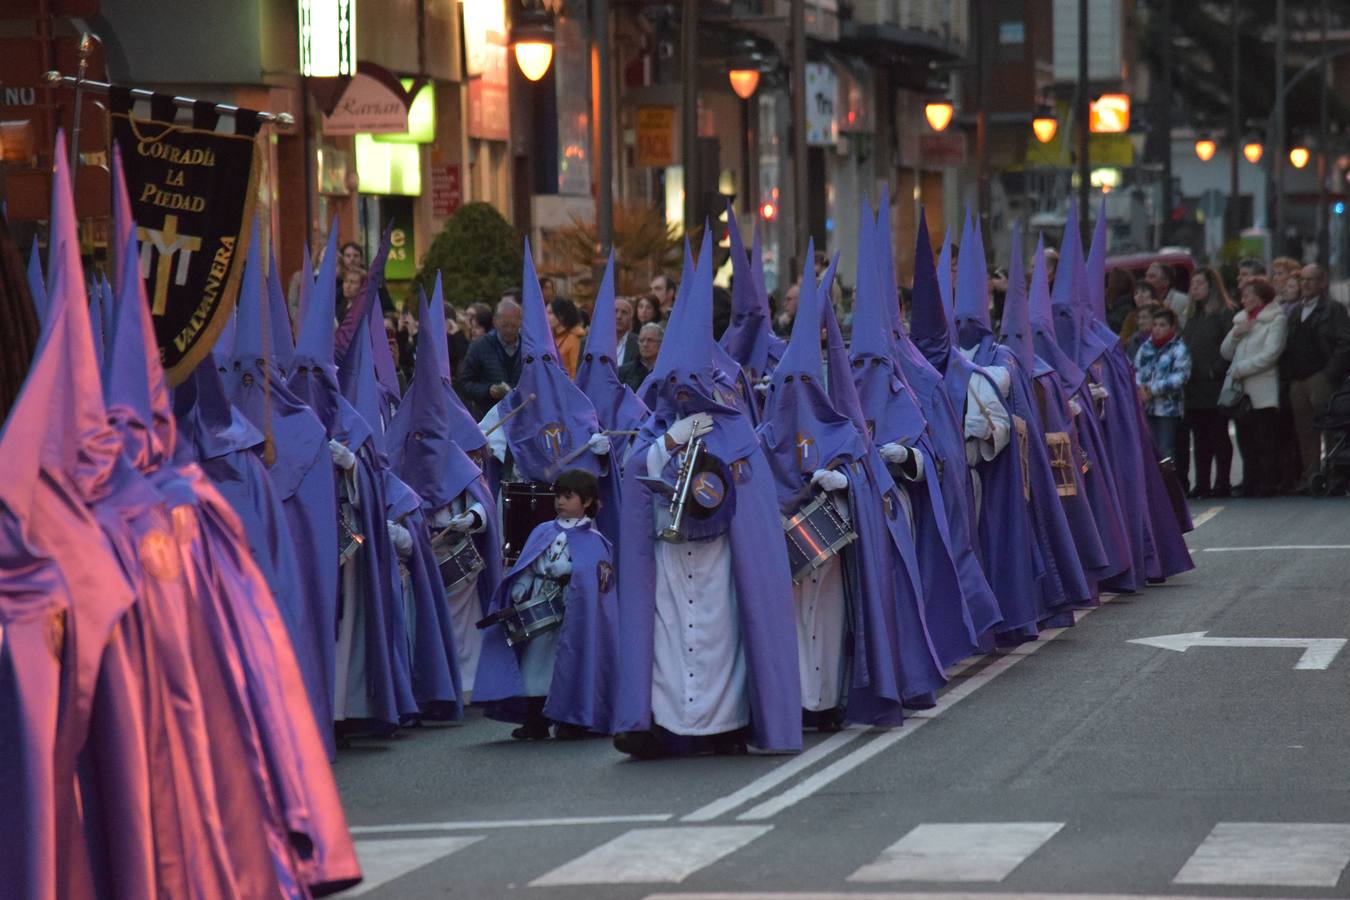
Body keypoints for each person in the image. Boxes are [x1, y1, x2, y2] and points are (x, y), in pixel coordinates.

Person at [473, 468, 620, 740]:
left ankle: (573, 721)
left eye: (568, 496)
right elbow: (528, 564)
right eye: (558, 496)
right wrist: (520, 584)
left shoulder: (596, 540)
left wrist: (572, 570)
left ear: (586, 502)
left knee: (571, 664)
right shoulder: (543, 530)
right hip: (541, 606)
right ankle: (535, 720)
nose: (560, 502)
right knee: (535, 664)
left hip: (573, 613)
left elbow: (601, 579)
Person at [1280, 264, 1350, 490]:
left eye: (1311, 280)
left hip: (1321, 376)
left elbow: (1344, 343)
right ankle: (1311, 476)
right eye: (1303, 280)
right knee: (1305, 430)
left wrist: (1329, 373)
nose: (1306, 284)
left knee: (1330, 426)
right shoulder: (1296, 311)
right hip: (1298, 379)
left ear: (1322, 282)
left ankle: (1335, 475)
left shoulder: (1333, 309)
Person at [1222, 278, 1288, 497]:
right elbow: (1225, 352)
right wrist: (1237, 334)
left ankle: (1267, 482)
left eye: (1248, 295)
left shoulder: (1275, 319)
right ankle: (1249, 482)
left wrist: (1242, 368)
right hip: (1241, 392)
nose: (1243, 299)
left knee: (1264, 439)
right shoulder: (1241, 320)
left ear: (1259, 296)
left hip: (1261, 389)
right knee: (1245, 439)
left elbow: (1271, 354)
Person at [1181, 267, 1237, 498]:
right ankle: (1202, 482)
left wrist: (1216, 370)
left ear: (1211, 286)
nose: (1194, 288)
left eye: (1199, 283)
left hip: (1214, 386)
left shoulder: (1224, 313)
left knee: (1219, 435)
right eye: (1192, 284)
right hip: (1193, 387)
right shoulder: (1193, 316)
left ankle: (1223, 482)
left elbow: (1231, 346)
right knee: (1200, 438)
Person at [1133, 307, 1191, 461]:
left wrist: (1153, 390)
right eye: (1155, 325)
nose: (1157, 329)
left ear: (1172, 327)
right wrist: (1140, 388)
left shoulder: (1178, 349)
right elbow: (1136, 370)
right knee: (1149, 449)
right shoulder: (1146, 347)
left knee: (1165, 449)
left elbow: (1180, 377)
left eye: (1162, 325)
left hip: (1167, 410)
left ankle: (1168, 483)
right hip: (1147, 407)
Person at [458, 297, 524, 418]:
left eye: (513, 325)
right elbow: (464, 383)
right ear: (495, 322)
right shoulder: (479, 347)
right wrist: (488, 390)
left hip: (522, 415)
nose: (509, 330)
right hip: (489, 417)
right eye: (505, 325)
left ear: (521, 322)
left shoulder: (528, 348)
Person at [1145, 262, 1192, 329]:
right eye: (1146, 276)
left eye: (1152, 276)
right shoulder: (1146, 302)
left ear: (1166, 282)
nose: (1146, 280)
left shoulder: (1182, 301)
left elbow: (1186, 329)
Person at [549, 296, 586, 377]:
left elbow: (575, 372)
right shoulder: (551, 336)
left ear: (561, 315)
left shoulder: (575, 338)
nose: (546, 316)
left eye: (550, 313)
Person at [620, 322, 662, 392]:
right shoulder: (623, 372)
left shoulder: (667, 373)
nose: (645, 344)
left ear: (660, 344)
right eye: (641, 340)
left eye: (650, 340)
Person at [611, 295, 639, 367]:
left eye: (624, 312)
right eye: (615, 311)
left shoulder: (639, 343)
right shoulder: (592, 341)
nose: (619, 316)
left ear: (630, 319)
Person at [1105, 267, 1136, 334]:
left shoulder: (1123, 310)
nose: (1106, 289)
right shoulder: (1119, 306)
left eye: (1108, 284)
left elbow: (1109, 329)